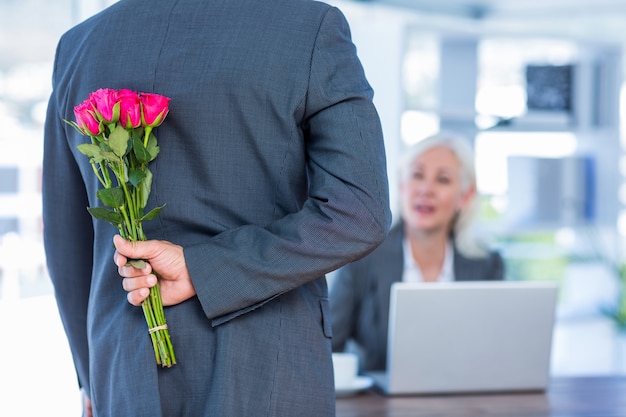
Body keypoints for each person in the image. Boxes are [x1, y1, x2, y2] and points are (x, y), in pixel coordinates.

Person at [42, 0, 392, 415]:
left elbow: (67, 242)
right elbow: (358, 213)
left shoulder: (81, 44)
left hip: (121, 373)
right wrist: (205, 270)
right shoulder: (310, 28)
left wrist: (92, 379)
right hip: (267, 373)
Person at [329, 131, 504, 372]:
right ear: (401, 186)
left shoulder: (488, 265)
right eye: (417, 175)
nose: (425, 189)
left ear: (465, 196)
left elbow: (494, 354)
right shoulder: (362, 257)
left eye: (442, 180)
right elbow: (327, 347)